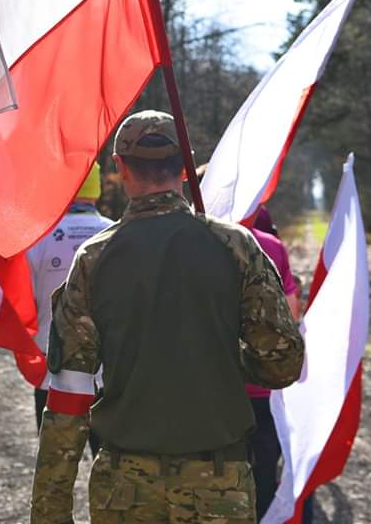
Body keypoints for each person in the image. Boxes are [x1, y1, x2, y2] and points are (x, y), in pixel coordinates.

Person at [31, 110, 305, 524]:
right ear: (184, 164)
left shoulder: (94, 259)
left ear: (120, 168)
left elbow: (69, 395)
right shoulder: (234, 247)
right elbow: (283, 364)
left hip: (125, 490)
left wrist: (50, 511)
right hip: (219, 485)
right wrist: (226, 355)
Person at [27, 163, 113, 448]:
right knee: (107, 464)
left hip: (53, 371)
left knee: (53, 470)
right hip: (108, 373)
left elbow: (20, 297)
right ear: (96, 190)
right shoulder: (117, 233)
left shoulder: (37, 238)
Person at [245, 206, 301, 520]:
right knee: (266, 469)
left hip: (218, 388)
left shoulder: (193, 245)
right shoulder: (272, 245)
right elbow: (292, 313)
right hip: (266, 384)